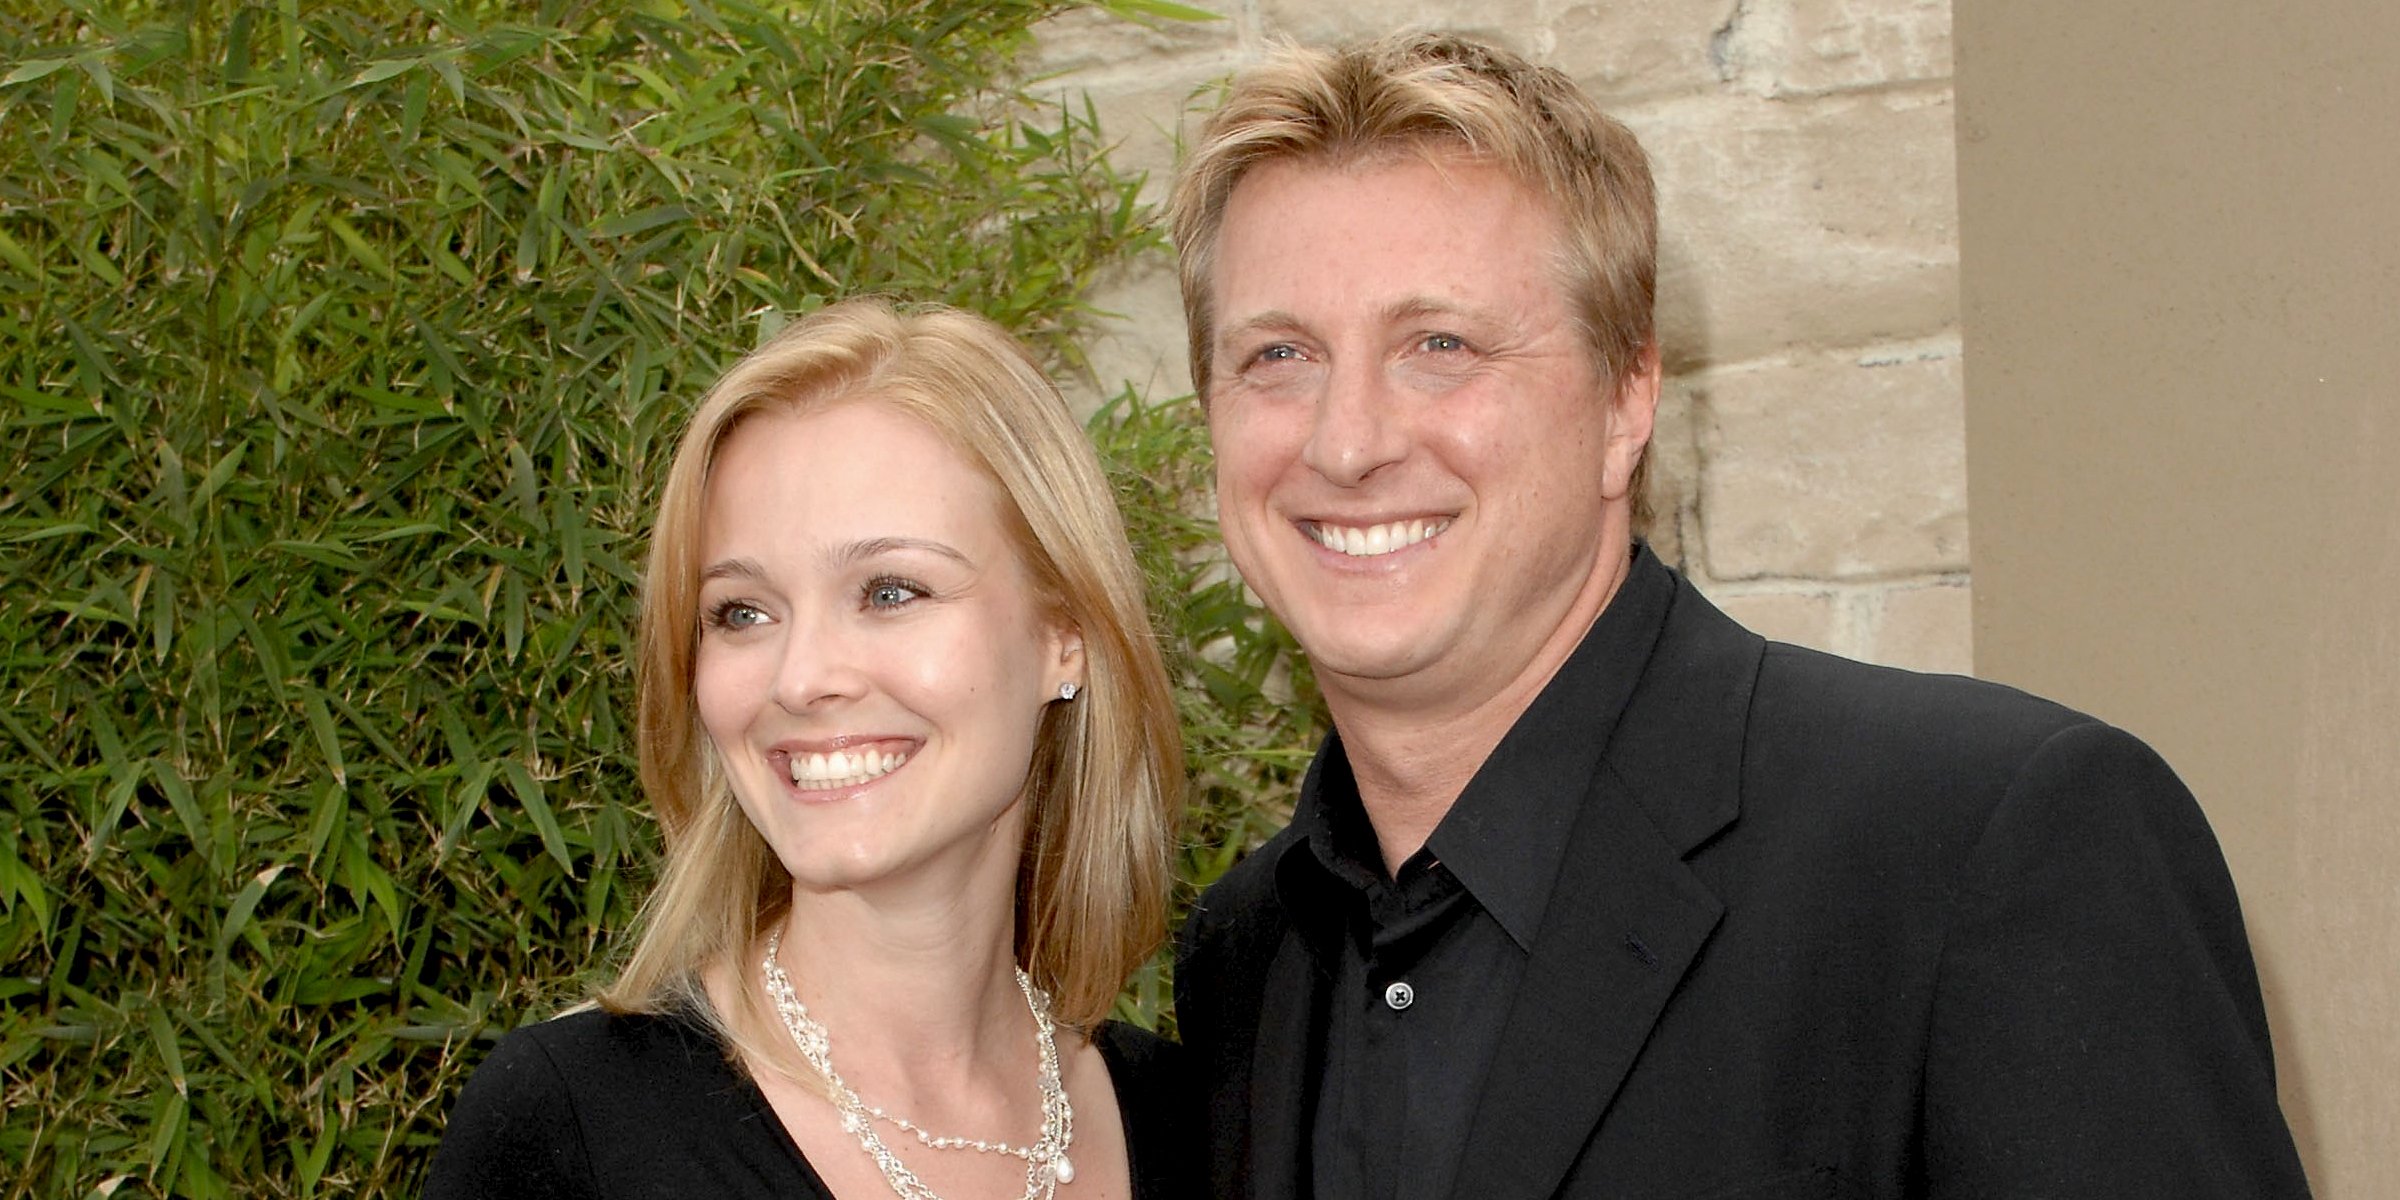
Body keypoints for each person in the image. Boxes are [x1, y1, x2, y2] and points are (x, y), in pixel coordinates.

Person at [1165, 32, 2311, 1200]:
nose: (1348, 442)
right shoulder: (1240, 959)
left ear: (1627, 399)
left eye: (1441, 345)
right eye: (1278, 355)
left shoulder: (1988, 847)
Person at [426, 299, 1196, 1200]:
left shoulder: (1202, 1125)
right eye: (742, 612)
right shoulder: (571, 1130)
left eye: (890, 591)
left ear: (1064, 633)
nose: (801, 679)